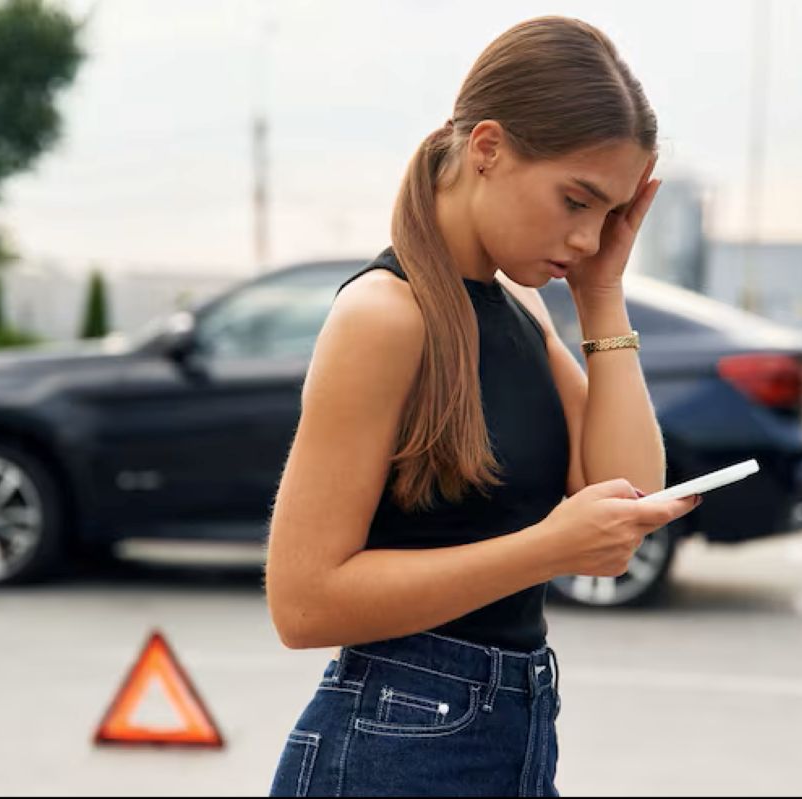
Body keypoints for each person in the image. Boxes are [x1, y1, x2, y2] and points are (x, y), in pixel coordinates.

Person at [264, 15, 700, 797]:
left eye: (609, 214)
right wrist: (546, 549)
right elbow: (303, 601)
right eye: (576, 200)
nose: (589, 237)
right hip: (395, 743)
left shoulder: (520, 312)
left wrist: (602, 295)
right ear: (488, 149)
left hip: (514, 732)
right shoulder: (385, 315)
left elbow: (629, 493)